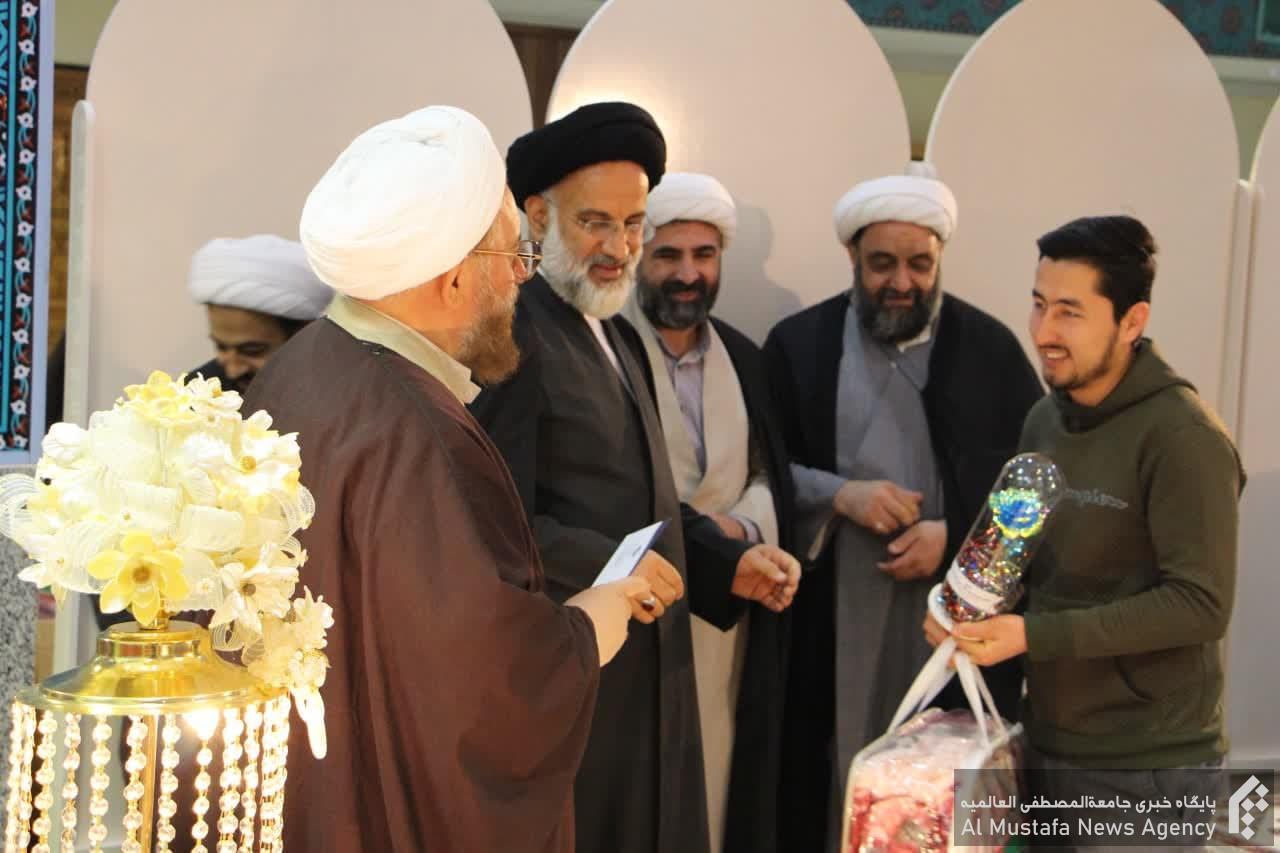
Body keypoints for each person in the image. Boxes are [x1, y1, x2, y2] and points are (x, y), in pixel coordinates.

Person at [243, 104, 660, 852]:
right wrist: (590, 624)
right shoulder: (417, 431)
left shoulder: (302, 366)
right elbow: (484, 682)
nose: (522, 275)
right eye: (512, 253)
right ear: (454, 280)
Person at [469, 102, 800, 853]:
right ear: (538, 214)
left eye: (633, 224)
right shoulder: (514, 332)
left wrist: (724, 562)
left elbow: (642, 502)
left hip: (653, 672)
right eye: (596, 223)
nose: (619, 248)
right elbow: (493, 519)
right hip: (578, 677)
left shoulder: (616, 330)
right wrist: (614, 572)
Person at [926, 215, 1243, 850]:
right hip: (1044, 746)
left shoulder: (1185, 439)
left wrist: (1032, 635)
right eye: (1039, 304)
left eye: (1069, 312)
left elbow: (1201, 604)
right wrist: (962, 608)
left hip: (1149, 772)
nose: (1043, 332)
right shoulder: (1043, 420)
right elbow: (1016, 558)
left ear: (1132, 321)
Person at [764, 162, 1042, 852]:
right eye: (882, 263)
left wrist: (954, 538)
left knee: (939, 801)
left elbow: (1031, 492)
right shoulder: (799, 347)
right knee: (831, 778)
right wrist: (841, 495)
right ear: (852, 257)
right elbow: (763, 471)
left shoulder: (992, 351)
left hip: (951, 621)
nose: (902, 282)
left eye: (920, 264)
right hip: (832, 611)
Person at [621, 171, 795, 853]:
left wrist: (740, 529)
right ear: (638, 255)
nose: (688, 273)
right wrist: (698, 533)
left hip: (729, 619)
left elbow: (770, 473)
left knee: (721, 782)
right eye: (668, 255)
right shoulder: (610, 352)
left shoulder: (746, 358)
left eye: (704, 255)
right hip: (637, 613)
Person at [188, 234, 333, 393]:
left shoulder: (342, 390)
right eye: (221, 347)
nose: (233, 371)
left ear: (303, 336)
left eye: (252, 351)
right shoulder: (196, 394)